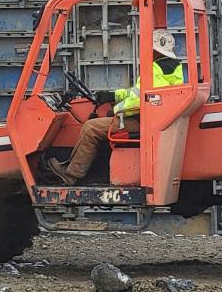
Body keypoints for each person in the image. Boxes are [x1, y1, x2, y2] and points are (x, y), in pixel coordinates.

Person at [45, 29, 184, 184]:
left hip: (142, 121)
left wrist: (116, 110)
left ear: (153, 49)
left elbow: (139, 100)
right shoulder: (172, 69)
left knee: (90, 128)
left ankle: (71, 175)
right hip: (152, 119)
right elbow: (137, 92)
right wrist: (113, 95)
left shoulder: (155, 70)